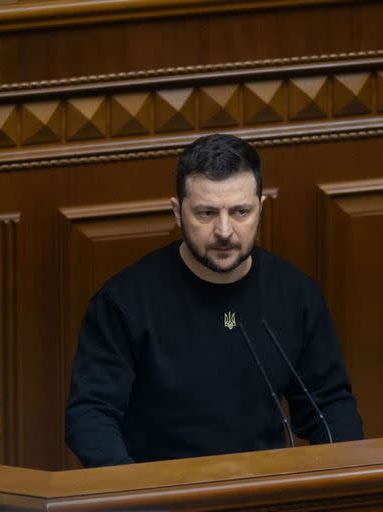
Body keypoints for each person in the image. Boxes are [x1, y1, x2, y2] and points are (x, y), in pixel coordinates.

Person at [65, 134, 363, 467]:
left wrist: (346, 480)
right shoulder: (123, 302)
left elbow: (329, 407)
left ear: (260, 209)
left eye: (240, 212)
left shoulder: (295, 294)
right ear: (177, 212)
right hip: (162, 495)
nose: (224, 231)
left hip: (262, 490)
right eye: (206, 213)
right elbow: (91, 416)